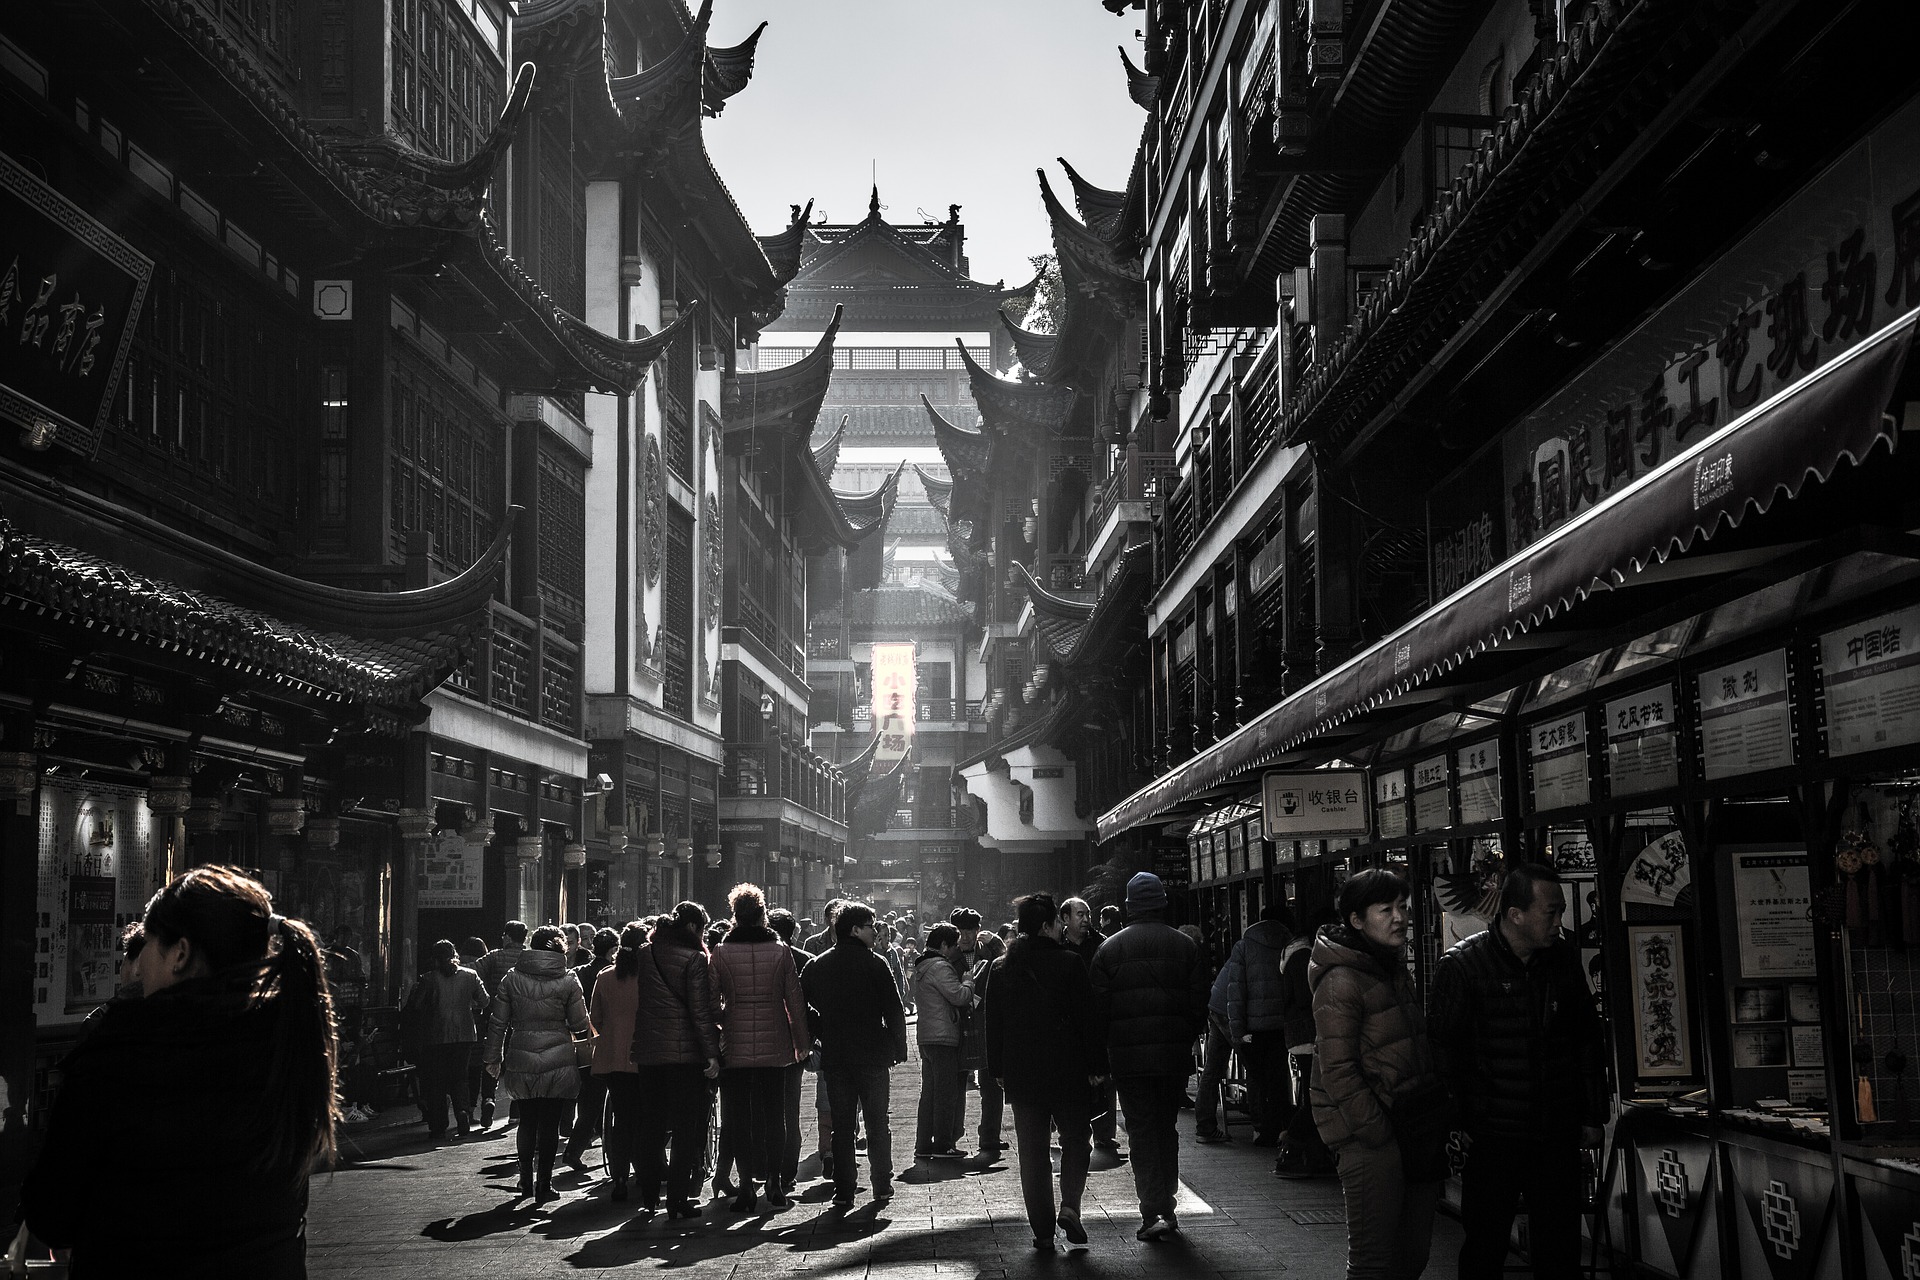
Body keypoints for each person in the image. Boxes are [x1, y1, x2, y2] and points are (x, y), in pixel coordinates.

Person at [19, 865, 338, 1276]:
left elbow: (52, 1215)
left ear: (180, 953)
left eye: (150, 944)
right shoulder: (288, 1048)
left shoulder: (119, 1055)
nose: (139, 964)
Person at [1430, 863, 1607, 1280]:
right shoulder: (1463, 966)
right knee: (1485, 1245)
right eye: (1551, 912)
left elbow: (1585, 1037)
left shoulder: (1560, 960)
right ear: (1515, 914)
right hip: (1492, 1136)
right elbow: (1441, 1050)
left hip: (1555, 1131)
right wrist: (1459, 1122)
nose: (1558, 922)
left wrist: (1593, 1114)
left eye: (1561, 911)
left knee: (1559, 1248)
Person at [1311, 868, 1448, 1280]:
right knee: (1374, 1260)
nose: (1400, 917)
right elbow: (1338, 1069)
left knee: (1413, 1252)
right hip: (1372, 1137)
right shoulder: (1341, 979)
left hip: (1411, 1125)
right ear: (1356, 919)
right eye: (1385, 909)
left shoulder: (1388, 967)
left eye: (1403, 907)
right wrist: (1376, 1132)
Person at [986, 893, 1109, 1253]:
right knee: (1075, 1139)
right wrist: (1097, 1067)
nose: (1061, 927)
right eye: (1058, 921)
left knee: (1033, 1153)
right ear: (1046, 926)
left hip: (1022, 1076)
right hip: (1067, 1071)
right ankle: (1070, 1204)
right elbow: (1088, 1020)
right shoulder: (1070, 963)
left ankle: (1042, 1230)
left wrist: (997, 1070)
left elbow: (994, 1024)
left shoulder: (1001, 967)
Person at [1089, 872, 1208, 1241]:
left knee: (1140, 1130)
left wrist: (1100, 1058)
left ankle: (1152, 1208)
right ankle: (1166, 1206)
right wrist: (1182, 1036)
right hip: (1171, 1058)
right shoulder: (1186, 947)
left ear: (1128, 907)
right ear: (1162, 904)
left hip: (1128, 1061)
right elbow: (1198, 1004)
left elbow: (1098, 1011)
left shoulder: (1109, 950)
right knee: (1165, 1127)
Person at [800, 902, 908, 1209]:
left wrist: (820, 1028)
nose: (875, 931)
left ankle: (844, 1189)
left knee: (842, 1124)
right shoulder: (876, 964)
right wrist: (898, 1049)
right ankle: (882, 1185)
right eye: (870, 926)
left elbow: (799, 1004)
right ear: (855, 929)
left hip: (836, 1055)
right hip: (873, 1053)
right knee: (877, 1122)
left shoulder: (818, 965)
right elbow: (894, 1010)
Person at [710, 884, 810, 1212]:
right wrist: (802, 1045)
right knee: (774, 1115)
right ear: (762, 913)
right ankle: (775, 1183)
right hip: (775, 1042)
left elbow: (710, 1002)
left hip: (735, 1043)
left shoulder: (721, 953)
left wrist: (727, 1019)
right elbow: (794, 1001)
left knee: (738, 1117)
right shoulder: (780, 951)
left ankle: (745, 1187)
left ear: (735, 916)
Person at [485, 925, 592, 1205]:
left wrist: (492, 1058)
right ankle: (544, 1182)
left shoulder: (512, 978)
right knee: (550, 1123)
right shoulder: (569, 979)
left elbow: (498, 1023)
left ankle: (525, 1180)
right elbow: (581, 1024)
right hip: (559, 1055)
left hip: (521, 1052)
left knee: (528, 1120)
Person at [631, 902, 722, 1219]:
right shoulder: (695, 958)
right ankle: (677, 1200)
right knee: (686, 1128)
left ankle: (649, 1197)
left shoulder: (646, 952)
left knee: (651, 1123)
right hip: (685, 1057)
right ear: (695, 928)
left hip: (649, 1052)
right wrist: (711, 1053)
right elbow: (700, 1011)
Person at [1224, 901, 1296, 1145]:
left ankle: (1263, 1128)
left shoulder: (1244, 947)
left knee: (1257, 1078)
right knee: (1278, 1078)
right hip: (1282, 1026)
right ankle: (1280, 1126)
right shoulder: (1290, 945)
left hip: (1254, 1029)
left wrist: (1238, 1031)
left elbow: (1236, 992)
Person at [404, 939, 490, 1140]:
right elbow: (485, 1000)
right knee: (460, 1076)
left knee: (437, 1080)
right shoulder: (471, 976)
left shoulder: (428, 979)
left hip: (436, 1035)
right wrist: (471, 1006)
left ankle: (439, 1124)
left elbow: (416, 1007)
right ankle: (462, 1111)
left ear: (434, 959)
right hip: (466, 1035)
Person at [1275, 908, 1337, 1177]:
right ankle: (1292, 1144)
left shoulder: (1298, 952)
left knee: (1312, 1096)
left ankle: (1311, 1154)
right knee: (1315, 1097)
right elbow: (1304, 997)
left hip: (1302, 1033)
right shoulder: (1302, 955)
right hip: (1306, 1034)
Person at [590, 923, 646, 1202]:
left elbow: (595, 1019)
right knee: (646, 1116)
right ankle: (646, 1169)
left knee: (621, 1118)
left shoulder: (605, 977)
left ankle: (620, 1176)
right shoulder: (649, 977)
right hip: (644, 1055)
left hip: (611, 1056)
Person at [911, 922, 974, 1160]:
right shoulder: (941, 967)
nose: (957, 949)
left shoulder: (922, 965)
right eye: (954, 944)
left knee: (929, 1093)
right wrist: (968, 981)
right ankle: (944, 1144)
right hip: (944, 1037)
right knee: (946, 1094)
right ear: (944, 945)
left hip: (927, 1037)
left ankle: (924, 1143)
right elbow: (959, 996)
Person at [564, 928, 621, 1167]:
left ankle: (574, 1151)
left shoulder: (579, 972)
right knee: (611, 1100)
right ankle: (611, 1150)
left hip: (584, 1043)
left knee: (589, 1101)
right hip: (611, 1043)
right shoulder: (613, 974)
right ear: (612, 951)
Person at [768, 908, 813, 1192]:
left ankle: (767, 1168)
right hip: (795, 1044)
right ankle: (787, 1171)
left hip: (764, 1044)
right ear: (794, 932)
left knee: (766, 1109)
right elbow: (808, 1008)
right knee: (790, 1109)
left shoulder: (763, 958)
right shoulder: (805, 961)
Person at [473, 920, 529, 1128]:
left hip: (496, 1016)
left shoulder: (495, 956)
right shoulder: (528, 958)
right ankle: (515, 1109)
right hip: (522, 1018)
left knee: (492, 1057)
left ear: (506, 937)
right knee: (517, 1063)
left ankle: (489, 1098)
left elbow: (473, 971)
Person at [968, 929, 1007, 1154]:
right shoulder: (951, 955)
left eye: (970, 931)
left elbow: (1006, 961)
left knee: (991, 1086)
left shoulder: (989, 956)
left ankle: (989, 1135)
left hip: (984, 1027)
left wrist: (995, 942)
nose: (966, 937)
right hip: (963, 1027)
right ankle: (946, 1139)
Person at [1194, 953, 1234, 1143]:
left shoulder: (1243, 948)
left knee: (1212, 1068)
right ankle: (1263, 1126)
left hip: (1217, 1007)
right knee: (1255, 1067)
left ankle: (1205, 1125)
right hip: (1228, 1010)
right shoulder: (1269, 948)